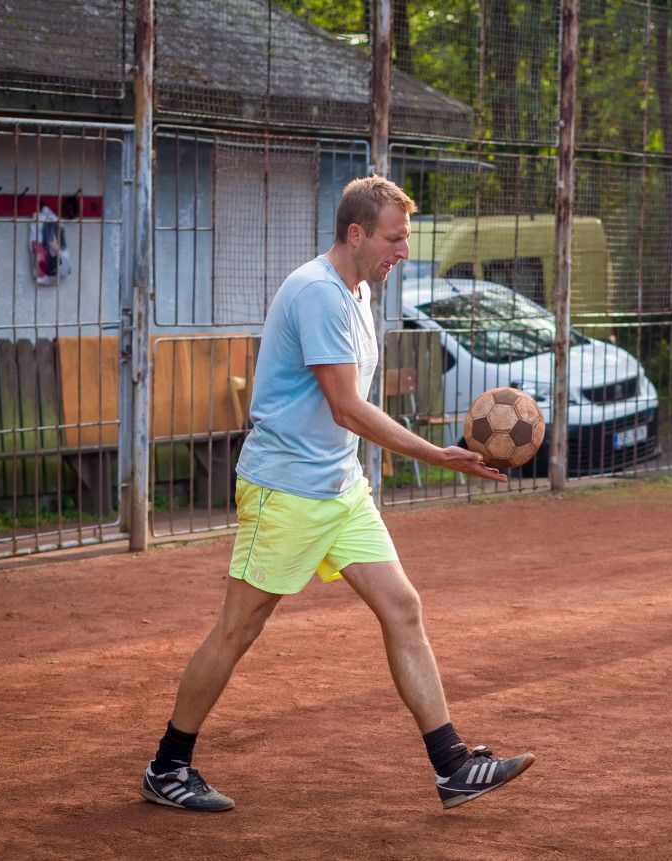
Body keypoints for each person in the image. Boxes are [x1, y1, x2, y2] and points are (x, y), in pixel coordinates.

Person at [140, 175, 534, 812]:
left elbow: (348, 415)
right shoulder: (319, 293)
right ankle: (168, 766)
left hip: (339, 486)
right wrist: (435, 454)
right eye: (393, 239)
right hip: (287, 489)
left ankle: (452, 764)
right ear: (356, 233)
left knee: (402, 608)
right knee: (237, 630)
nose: (401, 251)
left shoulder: (356, 292)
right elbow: (348, 407)